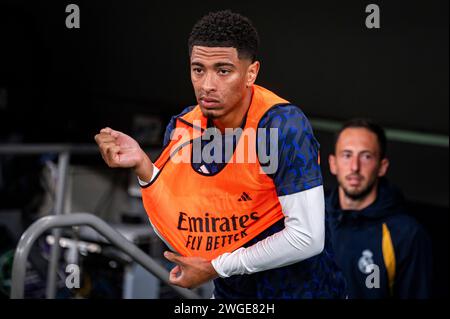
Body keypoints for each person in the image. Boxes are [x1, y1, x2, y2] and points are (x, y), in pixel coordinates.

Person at [95, 10, 346, 298]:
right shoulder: (183, 128)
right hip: (231, 295)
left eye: (223, 70)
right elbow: (182, 228)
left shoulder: (282, 126)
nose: (207, 85)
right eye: (198, 69)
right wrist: (143, 167)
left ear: (251, 73)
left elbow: (307, 238)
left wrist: (218, 267)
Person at [326, 118, 432, 298]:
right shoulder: (310, 219)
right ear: (333, 164)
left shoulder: (406, 235)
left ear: (382, 167)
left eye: (366, 156)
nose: (355, 167)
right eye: (347, 155)